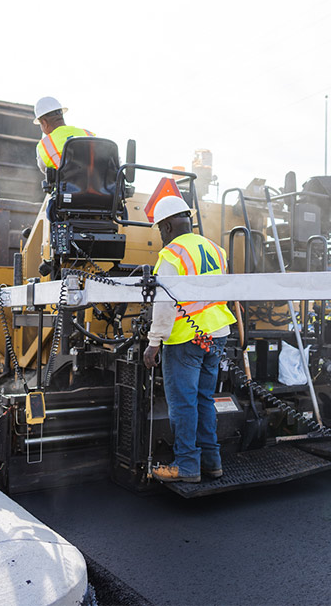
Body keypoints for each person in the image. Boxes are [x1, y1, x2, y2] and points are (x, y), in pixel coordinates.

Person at [143, 195, 237, 483]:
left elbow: (164, 303)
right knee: (204, 399)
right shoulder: (216, 249)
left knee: (183, 403)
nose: (161, 235)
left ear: (168, 226)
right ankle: (211, 462)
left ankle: (186, 466)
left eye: (161, 229)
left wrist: (154, 342)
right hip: (217, 334)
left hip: (187, 338)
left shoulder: (172, 254)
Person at [33, 96, 95, 174]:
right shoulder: (88, 134)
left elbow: (44, 170)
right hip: (95, 181)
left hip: (68, 182)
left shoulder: (44, 146)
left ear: (44, 123)